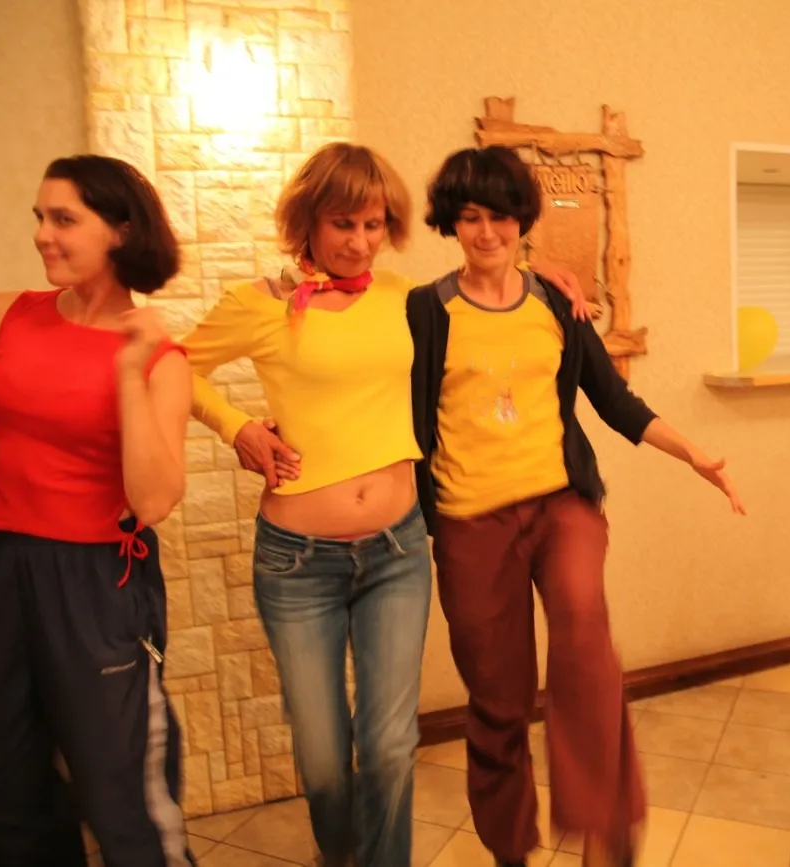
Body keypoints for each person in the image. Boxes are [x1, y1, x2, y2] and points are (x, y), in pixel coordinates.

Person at [178, 142, 588, 867]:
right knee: (323, 753)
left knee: (392, 743)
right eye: (344, 224)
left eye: (374, 226)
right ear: (308, 221)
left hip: (396, 551)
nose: (359, 242)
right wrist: (236, 427)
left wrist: (542, 278)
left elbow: (487, 299)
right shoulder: (260, 305)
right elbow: (174, 366)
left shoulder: (408, 300)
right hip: (297, 563)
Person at [407, 145, 745, 867]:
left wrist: (692, 452)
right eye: (471, 216)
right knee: (497, 697)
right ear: (452, 223)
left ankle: (604, 828)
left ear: (522, 220)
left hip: (561, 506)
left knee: (586, 645)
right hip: (470, 520)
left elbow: (613, 399)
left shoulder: (555, 303)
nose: (487, 231)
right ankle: (509, 845)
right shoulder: (424, 310)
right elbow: (397, 409)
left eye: (501, 215)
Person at [0, 155, 194, 866]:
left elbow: (153, 499)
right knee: (0, 785)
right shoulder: (6, 313)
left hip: (98, 582)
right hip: (2, 565)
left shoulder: (161, 359)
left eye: (64, 219)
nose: (42, 234)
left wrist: (127, 373)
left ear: (121, 231)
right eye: (40, 218)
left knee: (121, 792)